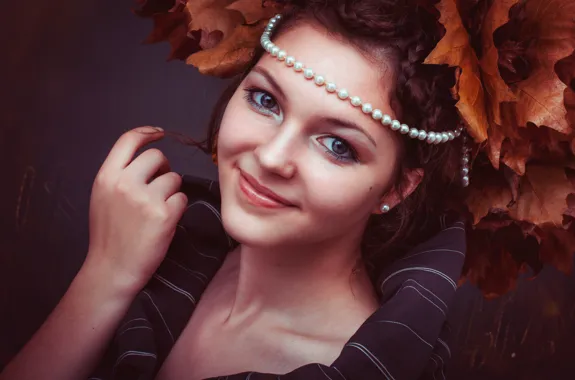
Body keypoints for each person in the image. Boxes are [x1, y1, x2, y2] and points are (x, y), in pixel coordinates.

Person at [0, 0, 468, 379]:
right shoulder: (171, 252)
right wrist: (105, 275)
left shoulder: (348, 368)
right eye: (265, 100)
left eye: (337, 146)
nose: (270, 157)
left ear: (399, 189)